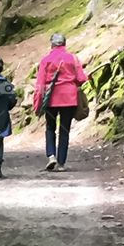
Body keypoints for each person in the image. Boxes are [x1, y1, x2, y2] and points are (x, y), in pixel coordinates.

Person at [33, 32, 88, 172]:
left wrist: (37, 104)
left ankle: (51, 155)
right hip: (69, 98)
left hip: (51, 98)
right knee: (64, 130)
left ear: (52, 44)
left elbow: (40, 84)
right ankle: (61, 163)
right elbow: (81, 78)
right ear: (64, 44)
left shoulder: (46, 60)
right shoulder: (73, 58)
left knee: (50, 127)